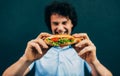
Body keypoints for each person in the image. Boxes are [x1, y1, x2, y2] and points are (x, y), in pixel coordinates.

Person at [2, 1, 112, 76]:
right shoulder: (39, 48)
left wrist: (94, 62)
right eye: (55, 23)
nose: (60, 28)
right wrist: (26, 59)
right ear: (50, 25)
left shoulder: (83, 49)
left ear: (72, 24)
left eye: (64, 23)